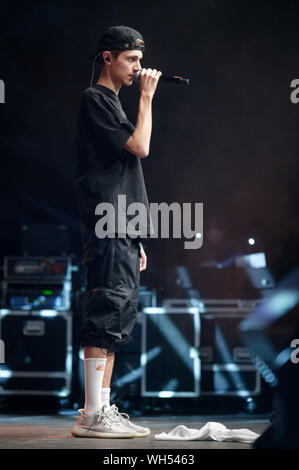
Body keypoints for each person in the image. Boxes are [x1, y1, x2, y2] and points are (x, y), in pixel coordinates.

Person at [72, 25, 161, 438]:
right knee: (107, 312)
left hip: (123, 227)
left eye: (140, 60)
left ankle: (101, 410)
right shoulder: (95, 100)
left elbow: (125, 174)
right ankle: (91, 414)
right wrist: (146, 96)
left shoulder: (112, 105)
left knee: (120, 316)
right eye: (132, 59)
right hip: (108, 224)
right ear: (108, 58)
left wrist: (137, 235)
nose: (139, 68)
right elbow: (140, 147)